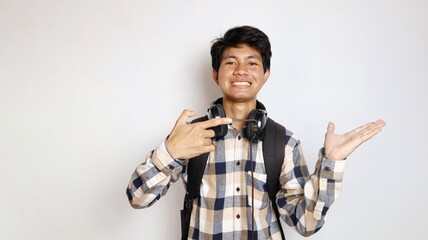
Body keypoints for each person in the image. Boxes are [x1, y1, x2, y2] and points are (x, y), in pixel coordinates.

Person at [126, 25, 386, 239]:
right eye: (231, 62)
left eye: (252, 63)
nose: (241, 70)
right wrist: (170, 152)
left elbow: (306, 224)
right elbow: (138, 198)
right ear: (216, 75)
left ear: (265, 75)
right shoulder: (192, 135)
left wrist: (331, 164)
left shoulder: (283, 142)